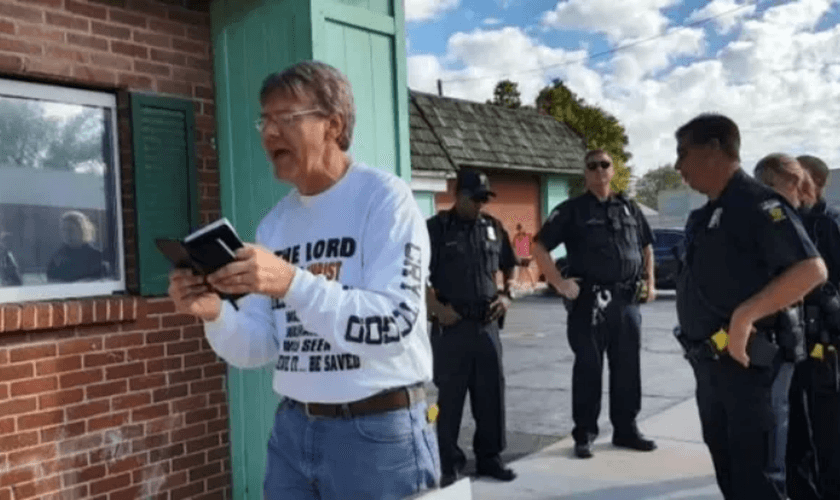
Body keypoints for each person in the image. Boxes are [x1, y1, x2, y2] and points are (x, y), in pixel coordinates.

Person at [167, 61, 439, 499]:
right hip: (293, 430)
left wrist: (292, 282)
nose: (268, 133)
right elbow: (261, 346)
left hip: (375, 436)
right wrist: (215, 314)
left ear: (333, 125)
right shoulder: (275, 225)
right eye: (264, 119)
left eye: (285, 118)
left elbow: (394, 325)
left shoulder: (385, 199)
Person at [672, 114, 826, 500]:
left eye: (683, 153)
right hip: (711, 367)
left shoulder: (758, 204)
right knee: (728, 469)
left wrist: (746, 316)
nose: (678, 166)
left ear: (713, 150)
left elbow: (811, 270)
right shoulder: (704, 215)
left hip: (750, 369)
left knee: (758, 478)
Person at [532, 148, 657, 459]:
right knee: (589, 368)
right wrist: (560, 284)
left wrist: (650, 282)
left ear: (613, 170)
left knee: (628, 368)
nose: (600, 170)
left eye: (605, 164)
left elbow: (646, 246)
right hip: (590, 302)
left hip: (627, 301)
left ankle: (626, 429)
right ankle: (585, 433)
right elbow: (539, 247)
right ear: (585, 174)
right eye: (593, 166)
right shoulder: (571, 210)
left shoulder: (629, 208)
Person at [426, 169, 518, 486]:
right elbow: (413, 276)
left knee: (491, 395)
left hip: (487, 324)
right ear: (457, 194)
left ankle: (490, 458)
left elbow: (510, 264)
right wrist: (436, 308)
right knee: (449, 399)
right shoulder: (436, 229)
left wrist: (508, 294)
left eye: (484, 198)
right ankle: (448, 463)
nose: (480, 204)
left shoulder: (492, 228)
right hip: (451, 326)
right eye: (475, 198)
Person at [792, 154, 840, 500]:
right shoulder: (784, 221)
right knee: (794, 421)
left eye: (798, 180)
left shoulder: (831, 224)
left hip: (825, 338)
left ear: (817, 184)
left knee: (827, 422)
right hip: (789, 338)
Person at [46, 211, 107, 283]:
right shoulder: (57, 258)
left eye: (70, 229)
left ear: (82, 230)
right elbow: (51, 282)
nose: (66, 233)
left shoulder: (96, 256)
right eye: (63, 229)